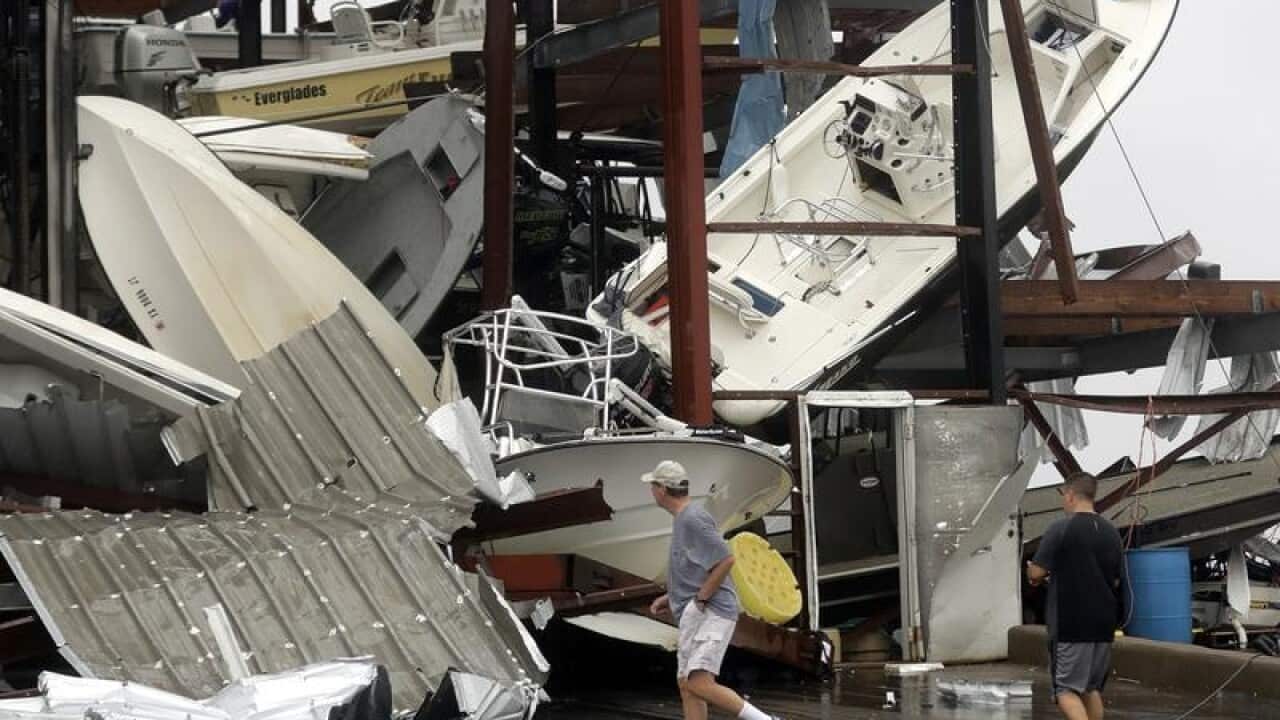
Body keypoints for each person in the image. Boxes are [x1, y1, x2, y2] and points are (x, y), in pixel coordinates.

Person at [645, 460, 781, 720]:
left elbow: (725, 559)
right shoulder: (683, 519)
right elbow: (695, 566)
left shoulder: (692, 518)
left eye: (652, 485)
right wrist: (670, 596)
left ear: (661, 489)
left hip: (712, 611)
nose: (651, 491)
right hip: (696, 611)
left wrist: (700, 600)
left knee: (698, 682)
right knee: (688, 686)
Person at [1027, 471, 1125, 720]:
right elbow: (1115, 579)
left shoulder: (1061, 528)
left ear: (1070, 494)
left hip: (1072, 624)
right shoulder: (1111, 532)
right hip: (1103, 624)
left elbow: (1037, 572)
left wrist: (1033, 572)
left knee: (1065, 691)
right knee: (1090, 689)